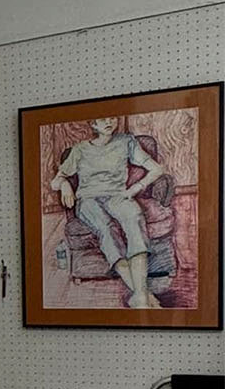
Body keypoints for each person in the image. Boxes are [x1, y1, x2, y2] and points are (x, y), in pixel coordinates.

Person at [49, 116, 166, 308]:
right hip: (88, 200)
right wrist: (64, 185)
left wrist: (135, 188)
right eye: (102, 120)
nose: (108, 122)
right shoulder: (80, 149)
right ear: (93, 124)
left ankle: (139, 296)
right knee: (106, 227)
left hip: (117, 195)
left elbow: (157, 169)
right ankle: (144, 296)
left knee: (134, 218)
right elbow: (56, 181)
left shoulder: (126, 142)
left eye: (112, 118)